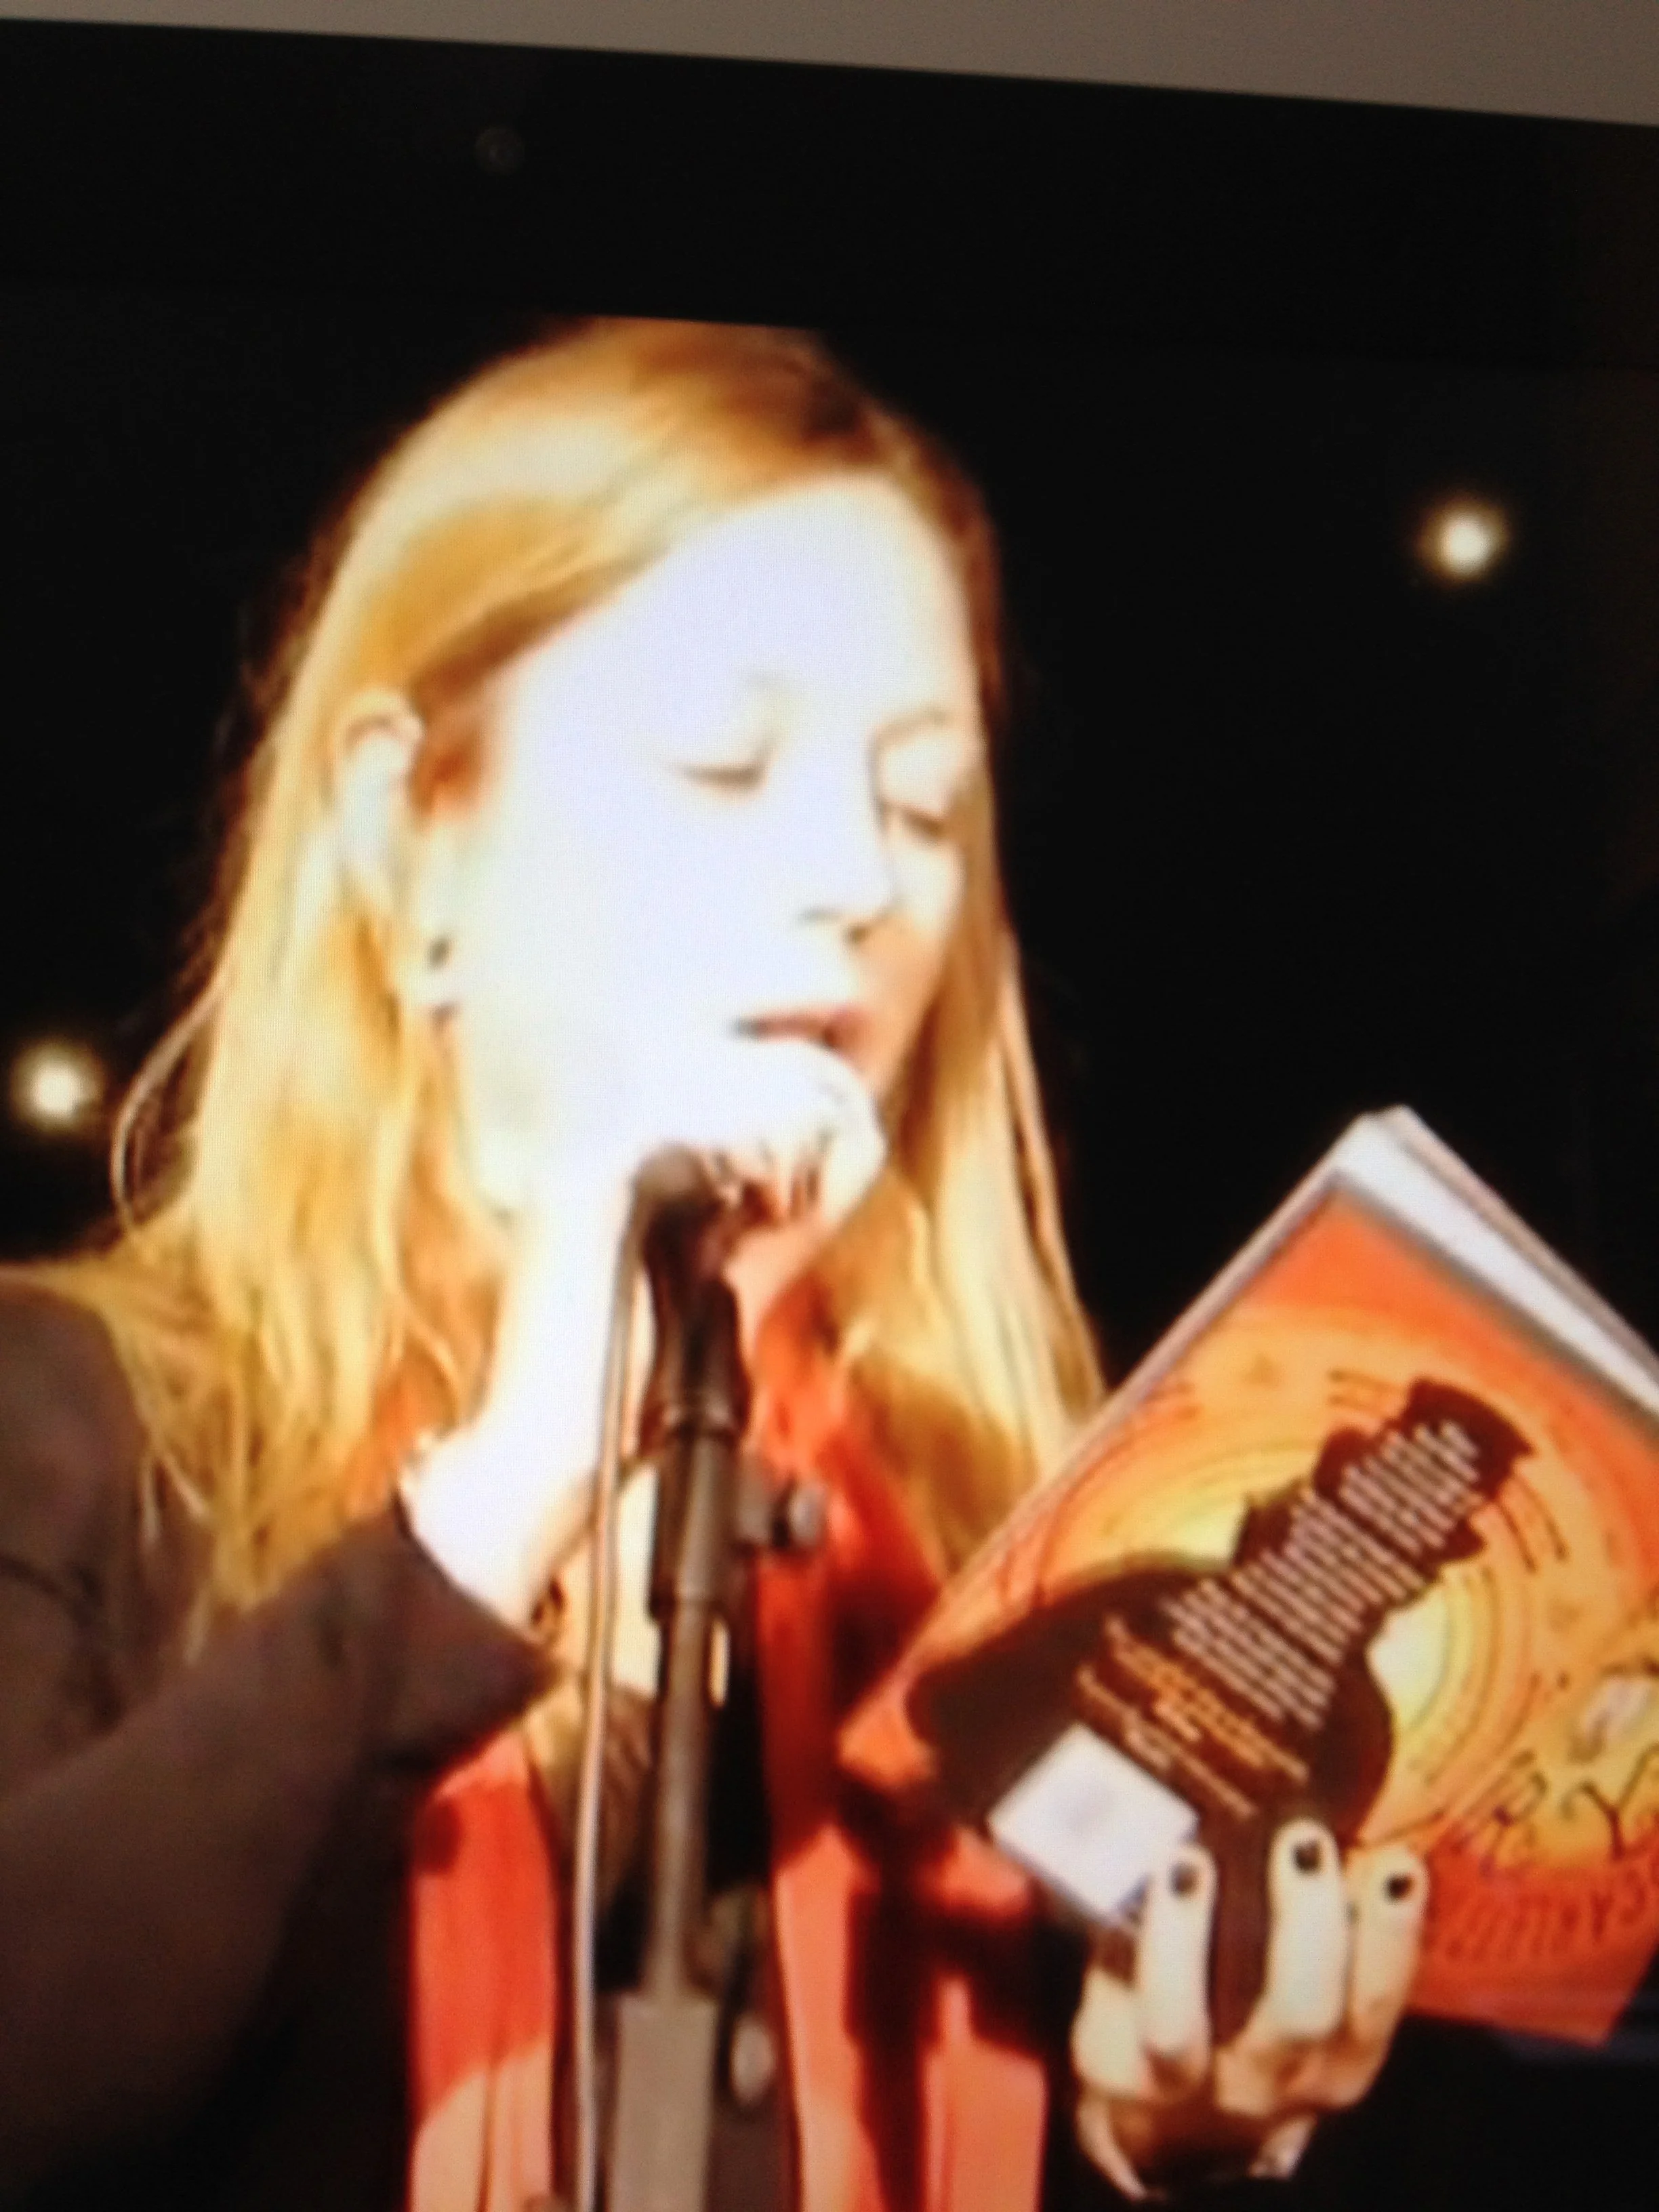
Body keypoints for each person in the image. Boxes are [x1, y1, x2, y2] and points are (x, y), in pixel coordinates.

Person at [0, 318, 1422, 2212]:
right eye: (726, 762)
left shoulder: (998, 1533)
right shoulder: (80, 1424)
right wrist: (507, 1492)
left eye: (924, 804)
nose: (856, 873)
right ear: (412, 839)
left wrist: (1170, 2132)